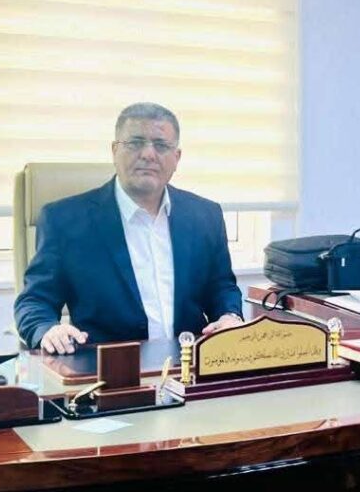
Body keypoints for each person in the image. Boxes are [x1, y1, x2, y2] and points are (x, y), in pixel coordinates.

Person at [14, 103, 243, 354]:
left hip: (189, 365)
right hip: (106, 368)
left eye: (161, 145)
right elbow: (35, 301)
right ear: (114, 151)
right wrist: (48, 329)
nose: (148, 154)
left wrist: (230, 316)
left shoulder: (205, 215)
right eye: (135, 143)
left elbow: (221, 287)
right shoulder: (65, 221)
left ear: (177, 158)